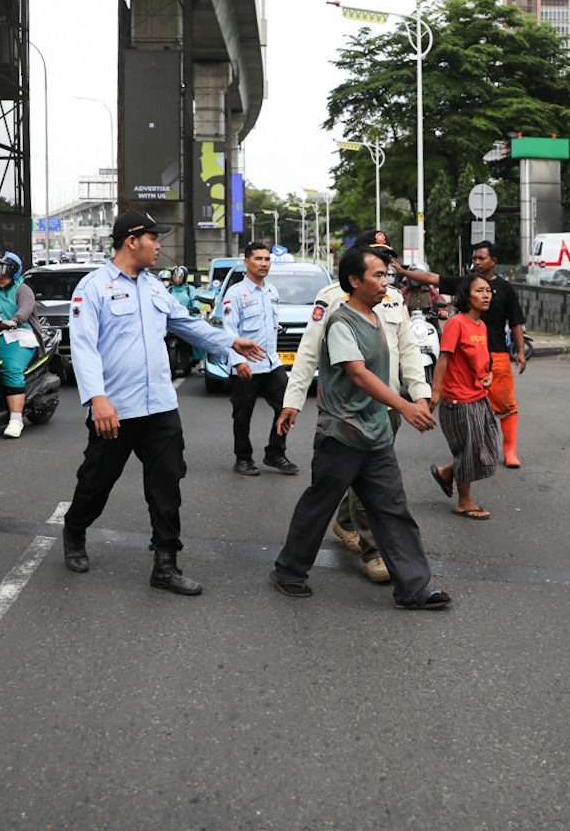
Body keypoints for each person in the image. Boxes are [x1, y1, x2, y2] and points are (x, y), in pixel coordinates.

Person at [59, 211, 268, 593]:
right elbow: (84, 347)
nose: (160, 246)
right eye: (154, 238)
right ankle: (74, 530)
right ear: (132, 241)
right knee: (96, 481)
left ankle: (166, 564)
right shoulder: (93, 288)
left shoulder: (155, 287)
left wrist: (229, 342)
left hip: (159, 407)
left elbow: (186, 323)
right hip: (115, 409)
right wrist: (97, 398)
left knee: (167, 484)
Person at [270, 245, 452, 609]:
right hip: (342, 434)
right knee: (320, 505)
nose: (386, 281)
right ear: (354, 280)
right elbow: (357, 372)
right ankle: (289, 570)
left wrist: (419, 395)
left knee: (392, 510)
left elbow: (408, 354)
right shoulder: (340, 320)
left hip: (377, 433)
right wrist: (403, 404)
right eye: (378, 275)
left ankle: (414, 589)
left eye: (386, 274)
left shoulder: (383, 312)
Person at [396, 240, 528, 467]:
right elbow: (432, 279)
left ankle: (510, 451)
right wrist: (403, 272)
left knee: (506, 405)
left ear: (493, 262)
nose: (476, 262)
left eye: (481, 258)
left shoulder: (505, 289)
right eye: (474, 258)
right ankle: (469, 453)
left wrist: (521, 351)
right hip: (464, 359)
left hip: (496, 355)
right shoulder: (464, 285)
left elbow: (515, 321)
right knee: (470, 408)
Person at [224, 242, 299, 476]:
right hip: (246, 366)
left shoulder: (272, 292)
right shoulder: (235, 293)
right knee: (243, 416)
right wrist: (238, 361)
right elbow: (228, 332)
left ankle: (275, 453)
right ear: (247, 262)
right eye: (258, 259)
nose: (264, 263)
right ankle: (243, 459)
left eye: (267, 259)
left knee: (287, 406)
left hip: (271, 363)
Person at [429, 275, 499, 519]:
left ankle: (447, 473)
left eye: (488, 290)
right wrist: (435, 392)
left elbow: (484, 359)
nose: (486, 295)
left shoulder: (481, 326)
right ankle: (464, 501)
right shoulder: (456, 323)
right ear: (466, 296)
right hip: (459, 400)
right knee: (469, 451)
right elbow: (444, 358)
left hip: (478, 397)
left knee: (485, 447)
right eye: (480, 291)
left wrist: (489, 374)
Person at [0, 252, 42, 438]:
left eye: (3, 271)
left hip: (22, 335)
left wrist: (14, 320)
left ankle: (16, 419)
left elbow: (25, 310)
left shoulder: (23, 290)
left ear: (14, 272)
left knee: (11, 368)